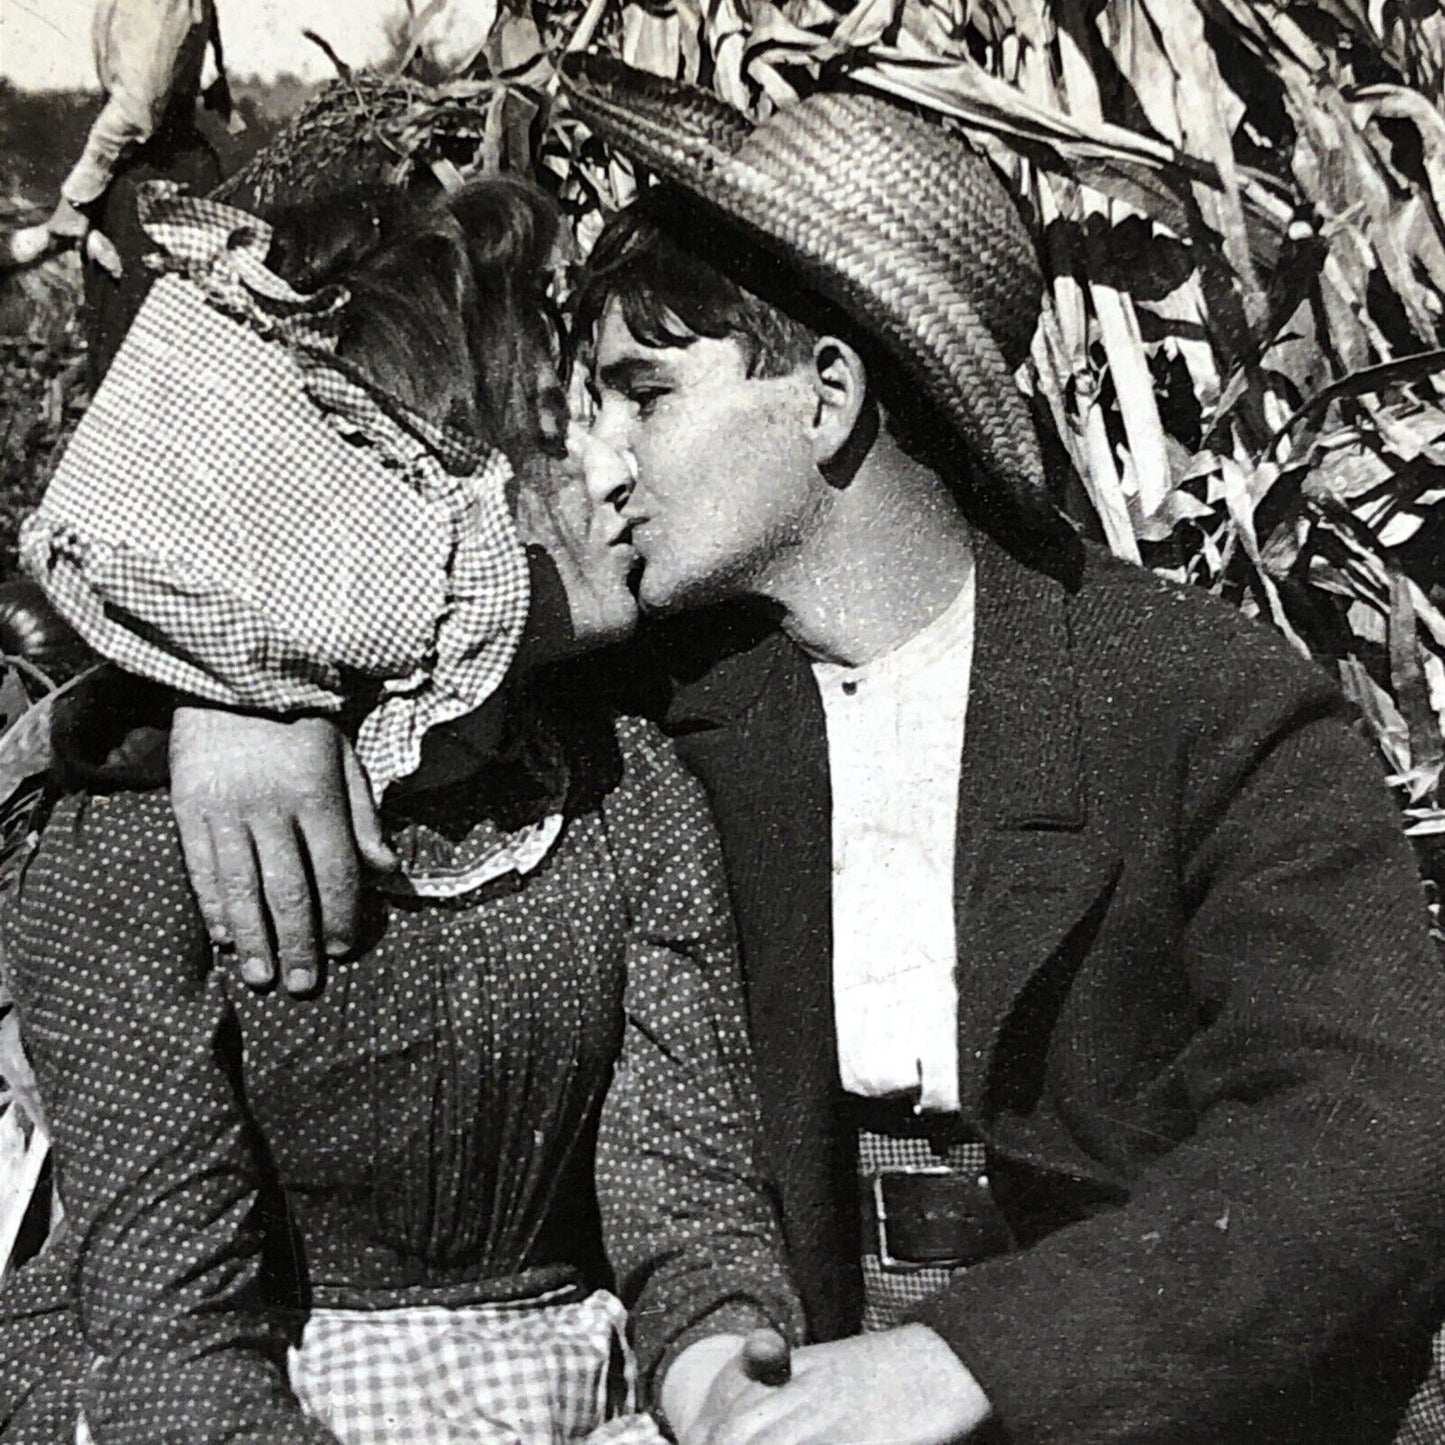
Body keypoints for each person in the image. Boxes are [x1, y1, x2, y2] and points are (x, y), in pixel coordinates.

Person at [44, 57, 1445, 1445]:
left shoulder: (1195, 702)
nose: (604, 460)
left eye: (644, 395)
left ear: (826, 398)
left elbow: (1366, 1130)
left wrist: (978, 1360)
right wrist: (238, 692)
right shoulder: (648, 699)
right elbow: (343, 514)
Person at [0, 172, 802, 1443]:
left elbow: (686, 1204)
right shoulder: (140, 839)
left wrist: (734, 1393)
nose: (612, 468)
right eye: (552, 422)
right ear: (394, 487)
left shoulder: (624, 787)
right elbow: (173, 1333)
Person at [5, 0, 239, 387]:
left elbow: (136, 107)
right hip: (146, 173)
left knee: (137, 373)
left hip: (152, 182)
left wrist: (76, 199)